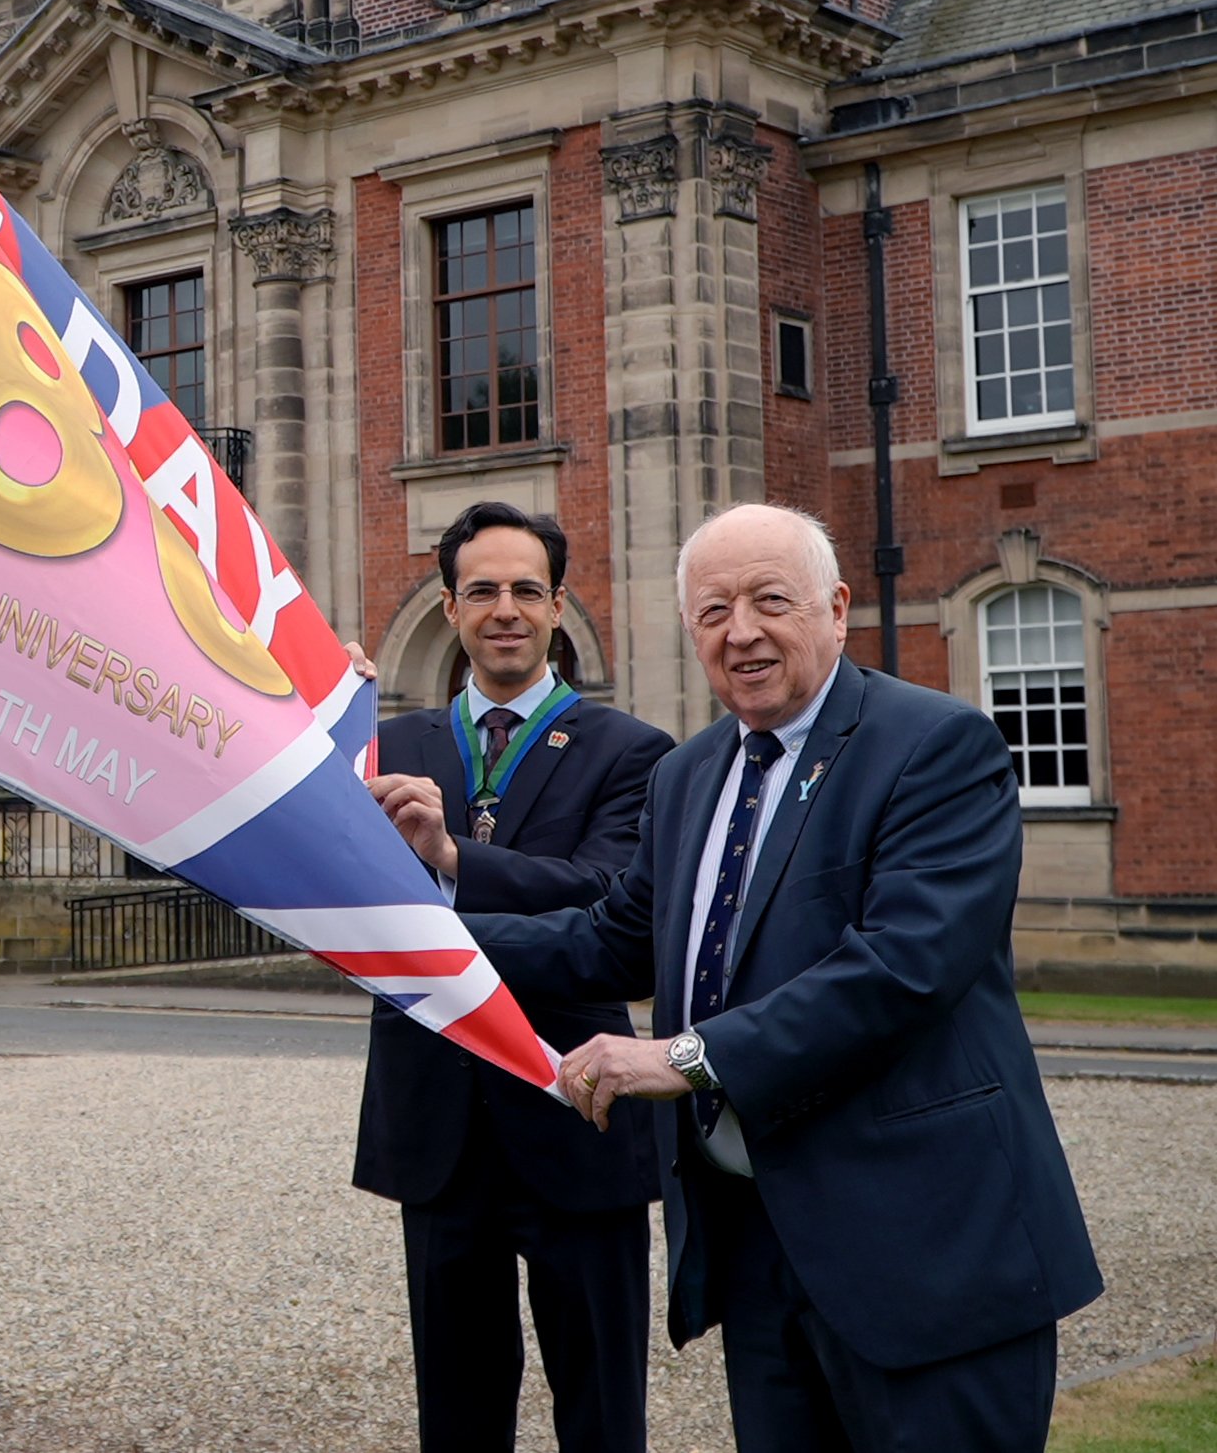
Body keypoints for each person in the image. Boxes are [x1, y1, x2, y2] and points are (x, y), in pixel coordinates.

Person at [467, 503, 1101, 1453]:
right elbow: (615, 938)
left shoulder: (936, 745)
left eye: (771, 600)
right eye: (714, 611)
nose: (743, 631)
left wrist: (682, 1058)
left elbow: (900, 968)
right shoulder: (689, 775)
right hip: (759, 1248)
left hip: (925, 1252)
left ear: (837, 608)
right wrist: (417, 941)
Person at [352, 502, 673, 1453]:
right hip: (437, 1129)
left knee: (602, 1411)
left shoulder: (631, 750)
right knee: (456, 1414)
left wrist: (452, 862)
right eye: (482, 589)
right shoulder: (386, 751)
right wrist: (310, 711)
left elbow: (610, 900)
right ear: (448, 607)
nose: (505, 609)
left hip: (579, 1113)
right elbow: (333, 895)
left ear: (558, 606)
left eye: (526, 589)